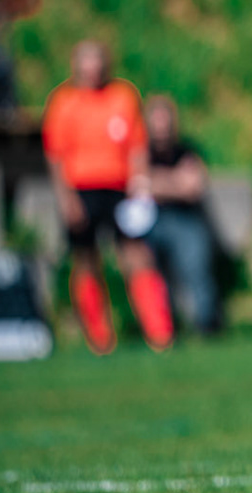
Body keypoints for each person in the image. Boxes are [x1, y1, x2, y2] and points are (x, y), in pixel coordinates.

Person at [42, 41, 172, 355]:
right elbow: (56, 157)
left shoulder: (123, 96)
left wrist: (139, 185)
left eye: (97, 60)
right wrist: (66, 199)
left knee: (137, 255)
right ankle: (100, 338)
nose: (92, 67)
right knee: (87, 261)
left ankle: (160, 334)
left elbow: (137, 146)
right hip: (82, 189)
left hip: (120, 188)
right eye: (86, 61)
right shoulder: (64, 102)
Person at [142, 95, 221, 335]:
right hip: (151, 221)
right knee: (150, 274)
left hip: (186, 220)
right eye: (156, 122)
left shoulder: (187, 149)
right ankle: (162, 330)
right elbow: (135, 184)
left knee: (195, 267)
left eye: (165, 122)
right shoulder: (139, 152)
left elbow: (194, 186)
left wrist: (156, 182)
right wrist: (175, 182)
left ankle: (207, 326)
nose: (162, 129)